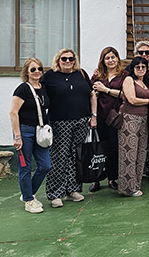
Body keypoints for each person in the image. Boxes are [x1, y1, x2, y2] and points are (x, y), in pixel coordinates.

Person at [42, 49, 97, 208]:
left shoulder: (81, 73)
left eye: (71, 59)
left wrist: (93, 115)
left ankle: (72, 190)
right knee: (59, 157)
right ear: (58, 60)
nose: (68, 61)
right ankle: (55, 193)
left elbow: (92, 94)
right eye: (64, 59)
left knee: (76, 156)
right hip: (60, 122)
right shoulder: (50, 76)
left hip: (82, 120)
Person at [9, 58, 52, 214]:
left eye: (39, 68)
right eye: (33, 69)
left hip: (40, 132)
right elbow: (13, 113)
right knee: (25, 167)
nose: (37, 72)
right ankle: (28, 200)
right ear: (26, 72)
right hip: (25, 131)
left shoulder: (43, 87)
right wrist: (17, 136)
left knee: (45, 165)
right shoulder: (22, 89)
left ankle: (28, 193)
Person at [117, 57, 149, 197]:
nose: (141, 69)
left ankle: (136, 184)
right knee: (128, 153)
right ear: (133, 68)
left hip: (143, 120)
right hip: (129, 119)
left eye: (143, 67)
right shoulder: (129, 79)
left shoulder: (143, 82)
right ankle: (128, 188)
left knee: (140, 153)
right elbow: (132, 99)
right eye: (138, 67)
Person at [89, 46, 127, 192]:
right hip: (100, 116)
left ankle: (112, 178)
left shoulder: (124, 75)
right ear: (103, 60)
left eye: (113, 57)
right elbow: (91, 94)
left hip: (116, 117)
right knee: (99, 147)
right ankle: (97, 178)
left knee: (113, 147)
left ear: (117, 58)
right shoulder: (98, 75)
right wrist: (93, 115)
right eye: (107, 58)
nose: (110, 60)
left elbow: (125, 94)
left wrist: (106, 90)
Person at [125, 41, 149, 184]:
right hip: (135, 110)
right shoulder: (131, 68)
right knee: (135, 144)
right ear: (136, 54)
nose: (144, 55)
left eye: (147, 52)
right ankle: (133, 175)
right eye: (141, 52)